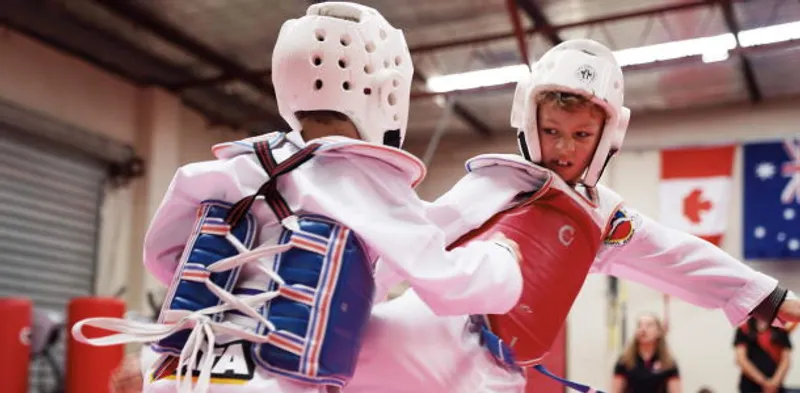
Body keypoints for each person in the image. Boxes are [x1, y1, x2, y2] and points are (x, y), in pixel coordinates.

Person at [72, 3, 524, 393]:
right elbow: (449, 282)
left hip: (176, 372)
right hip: (274, 380)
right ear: (387, 91)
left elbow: (162, 257)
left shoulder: (226, 167)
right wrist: (503, 261)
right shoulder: (365, 181)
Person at [343, 38, 800, 393]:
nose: (564, 148)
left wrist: (767, 296)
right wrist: (354, 301)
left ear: (606, 136)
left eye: (581, 134)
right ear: (529, 122)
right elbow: (416, 239)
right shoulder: (497, 183)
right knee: (332, 355)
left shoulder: (600, 216)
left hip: (495, 370)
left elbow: (674, 254)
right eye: (551, 131)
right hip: (431, 327)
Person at [612, 313, 681, 393]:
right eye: (639, 325)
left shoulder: (668, 363)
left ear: (659, 332)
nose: (643, 329)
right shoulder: (624, 360)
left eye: (649, 325)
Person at [734, 317, 792, 393]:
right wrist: (763, 382)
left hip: (775, 385)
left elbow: (786, 360)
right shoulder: (744, 329)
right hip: (750, 385)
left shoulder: (780, 329)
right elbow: (741, 359)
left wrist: (774, 382)